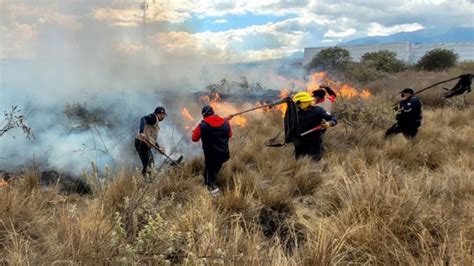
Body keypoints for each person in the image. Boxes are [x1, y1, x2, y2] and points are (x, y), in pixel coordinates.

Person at [192, 105, 232, 196]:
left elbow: (194, 139)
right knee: (215, 168)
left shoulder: (202, 125)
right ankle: (212, 181)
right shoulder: (226, 123)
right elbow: (229, 135)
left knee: (208, 173)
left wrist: (197, 131)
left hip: (210, 156)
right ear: (213, 113)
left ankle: (211, 190)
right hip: (224, 155)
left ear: (204, 115)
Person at [292, 92, 337, 161]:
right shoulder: (295, 113)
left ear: (303, 102)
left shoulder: (317, 111)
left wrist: (329, 123)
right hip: (300, 143)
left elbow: (333, 118)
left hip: (314, 142)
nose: (296, 105)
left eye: (297, 103)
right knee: (299, 163)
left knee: (314, 163)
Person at [135, 106, 167, 176]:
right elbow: (143, 119)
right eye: (162, 115)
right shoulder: (154, 117)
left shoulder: (155, 124)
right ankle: (146, 181)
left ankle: (146, 180)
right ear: (159, 114)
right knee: (149, 165)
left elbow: (152, 140)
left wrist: (159, 149)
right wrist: (141, 132)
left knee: (150, 164)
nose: (163, 117)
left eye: (164, 115)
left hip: (145, 144)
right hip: (142, 143)